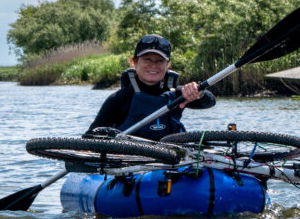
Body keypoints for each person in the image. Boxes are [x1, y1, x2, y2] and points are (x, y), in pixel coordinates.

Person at [86, 34, 215, 140]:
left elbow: (210, 102)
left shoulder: (177, 95)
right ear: (135, 62)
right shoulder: (119, 99)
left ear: (167, 65)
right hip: (130, 165)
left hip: (169, 164)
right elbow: (90, 138)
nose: (153, 65)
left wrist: (199, 92)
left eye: (159, 61)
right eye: (147, 59)